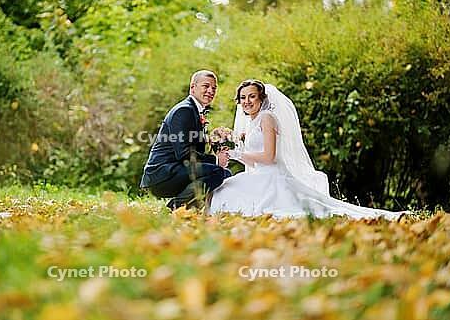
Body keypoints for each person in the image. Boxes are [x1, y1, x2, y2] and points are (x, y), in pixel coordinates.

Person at [209, 79, 407, 220]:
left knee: (226, 194)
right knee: (223, 191)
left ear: (262, 98)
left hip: (272, 177)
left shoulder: (267, 118)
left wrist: (237, 154)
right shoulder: (251, 123)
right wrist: (232, 154)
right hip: (260, 176)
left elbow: (269, 157)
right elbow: (253, 161)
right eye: (243, 98)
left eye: (252, 96)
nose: (247, 101)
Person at [140, 70, 231, 210]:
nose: (210, 91)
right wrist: (216, 160)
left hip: (176, 170)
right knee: (217, 172)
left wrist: (212, 141)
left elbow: (191, 143)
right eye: (206, 86)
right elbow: (183, 152)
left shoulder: (194, 110)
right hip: (162, 174)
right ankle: (174, 208)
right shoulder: (184, 110)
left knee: (225, 174)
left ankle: (205, 209)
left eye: (214, 88)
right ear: (193, 87)